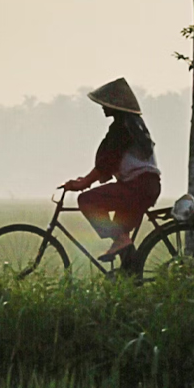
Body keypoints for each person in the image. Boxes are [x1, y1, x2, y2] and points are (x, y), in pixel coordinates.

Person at [62, 78, 161, 264]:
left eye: (105, 103)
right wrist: (87, 179)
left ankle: (122, 241)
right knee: (121, 236)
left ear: (116, 105)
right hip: (146, 186)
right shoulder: (132, 124)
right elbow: (108, 164)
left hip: (137, 186)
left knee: (87, 200)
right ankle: (131, 277)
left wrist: (83, 183)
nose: (102, 107)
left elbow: (107, 162)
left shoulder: (123, 128)